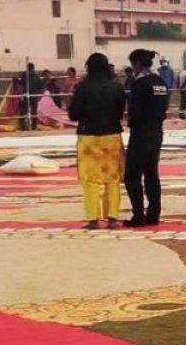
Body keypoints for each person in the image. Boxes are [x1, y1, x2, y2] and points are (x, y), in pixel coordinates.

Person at [67, 53, 127, 230]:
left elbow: (73, 114)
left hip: (88, 137)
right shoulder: (116, 87)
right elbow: (119, 112)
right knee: (113, 179)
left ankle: (93, 218)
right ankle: (113, 218)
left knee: (89, 179)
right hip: (112, 136)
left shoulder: (82, 87)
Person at [123, 49, 169, 227]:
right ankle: (153, 214)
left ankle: (138, 216)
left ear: (137, 64)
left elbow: (135, 111)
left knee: (132, 176)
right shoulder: (161, 83)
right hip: (157, 133)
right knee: (152, 174)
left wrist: (130, 119)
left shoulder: (139, 84)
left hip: (141, 134)